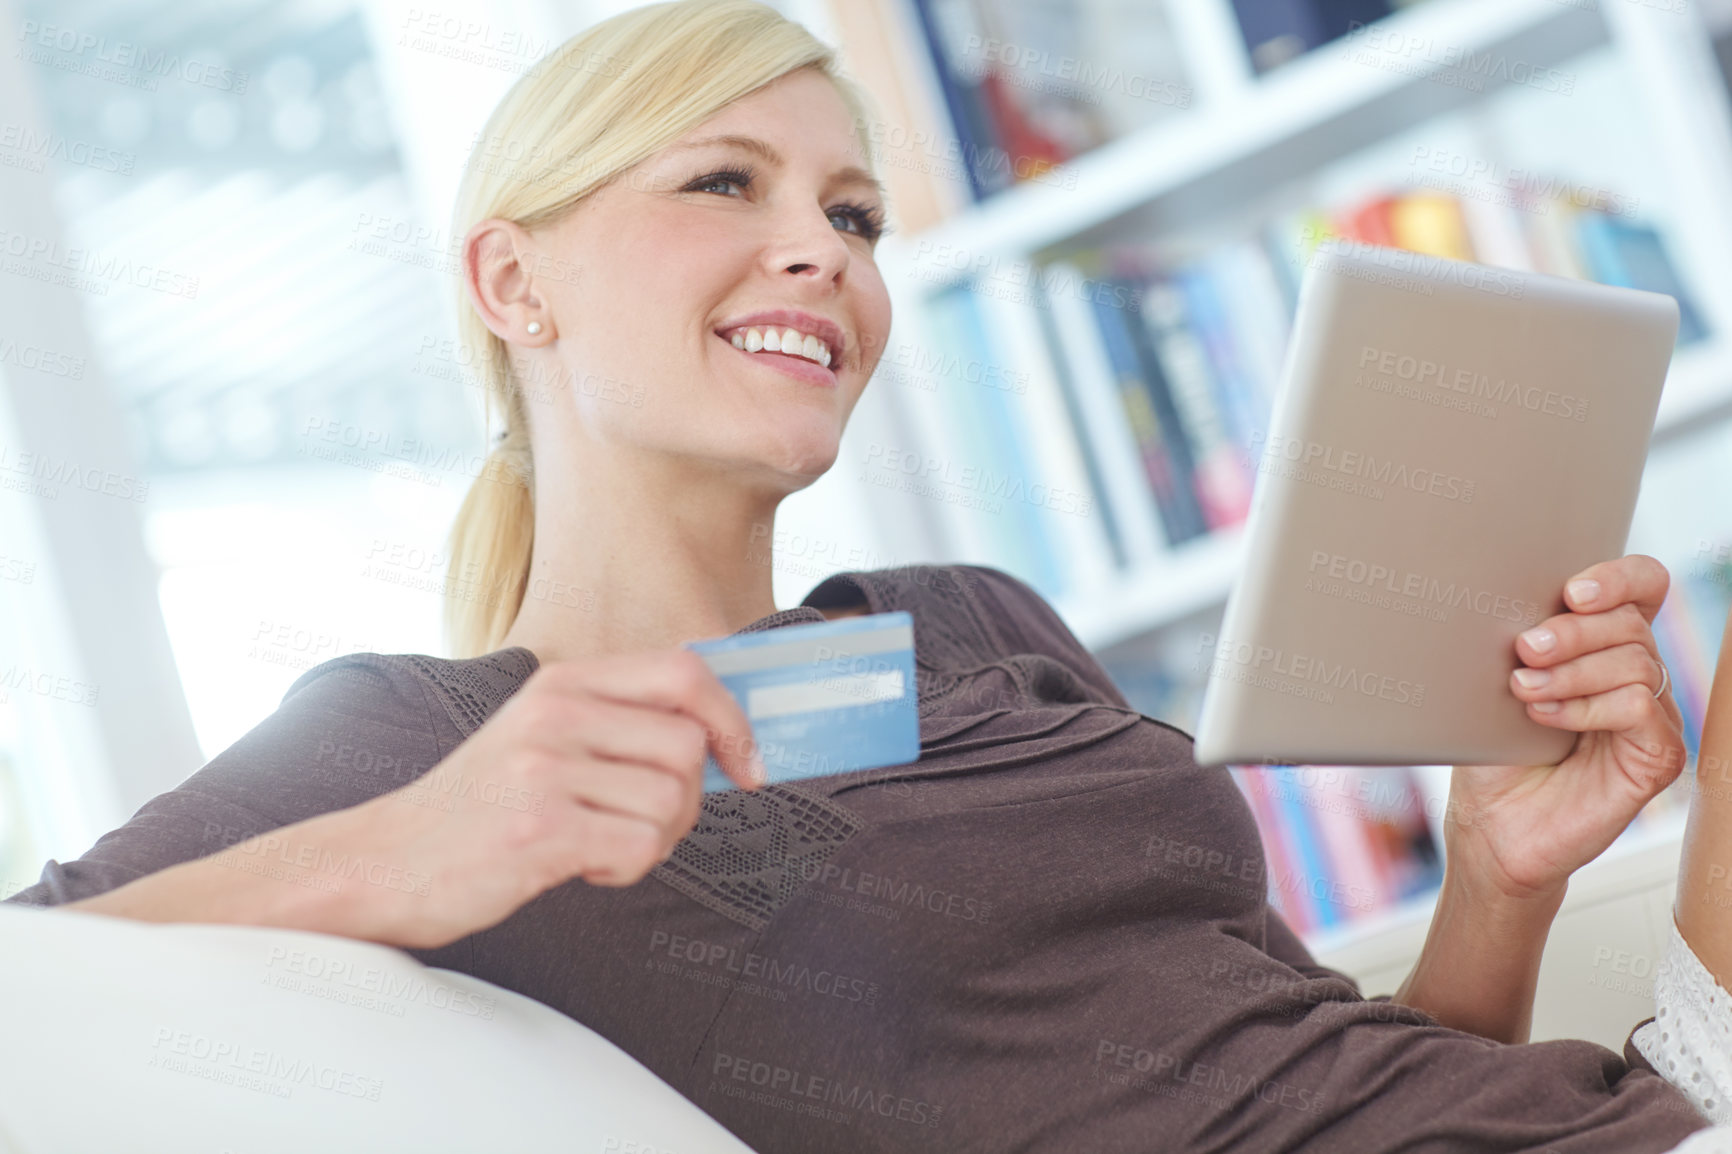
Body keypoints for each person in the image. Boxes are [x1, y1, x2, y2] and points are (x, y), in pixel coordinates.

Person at [8, 2, 1732, 1150]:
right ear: (511, 281)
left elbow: (1311, 1070)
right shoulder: (424, 739)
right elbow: (34, 974)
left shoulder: (970, 619)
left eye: (854, 218)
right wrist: (413, 843)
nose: (817, 254)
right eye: (723, 182)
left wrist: (1495, 874)